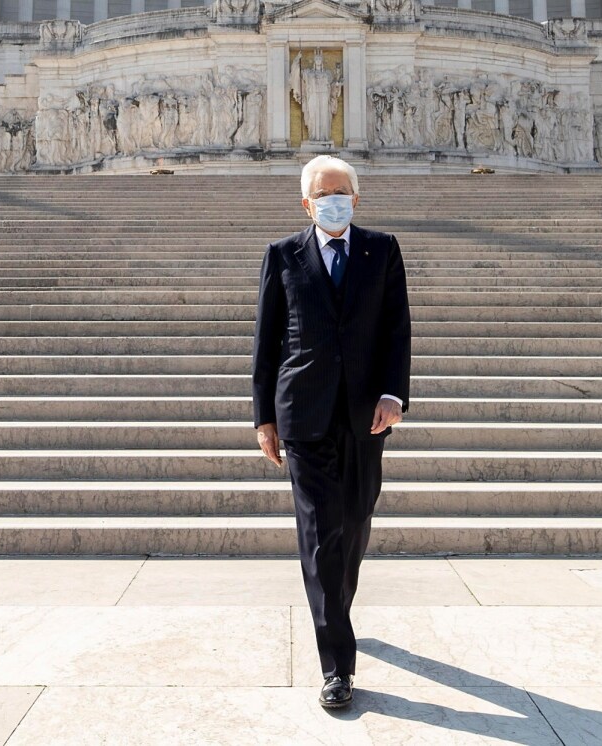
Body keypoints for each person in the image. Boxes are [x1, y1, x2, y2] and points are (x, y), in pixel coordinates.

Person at [252, 155, 411, 710]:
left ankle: (336, 609)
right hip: (305, 416)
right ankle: (337, 665)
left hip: (366, 414)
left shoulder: (382, 250)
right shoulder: (282, 255)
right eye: (323, 193)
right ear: (306, 203)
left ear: (356, 198)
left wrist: (395, 394)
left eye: (342, 191)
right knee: (322, 535)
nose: (333, 200)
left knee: (356, 521)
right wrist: (263, 417)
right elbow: (267, 341)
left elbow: (397, 328)